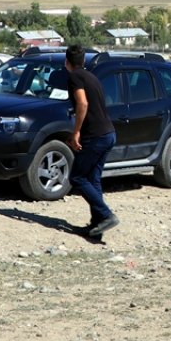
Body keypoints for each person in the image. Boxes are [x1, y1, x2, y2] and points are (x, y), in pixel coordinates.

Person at [64, 44, 119, 238]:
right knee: (93, 179)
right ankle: (97, 226)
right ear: (83, 60)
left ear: (67, 62)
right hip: (109, 133)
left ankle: (106, 215)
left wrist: (76, 131)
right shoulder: (92, 77)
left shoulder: (75, 77)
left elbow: (83, 103)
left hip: (95, 136)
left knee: (77, 177)